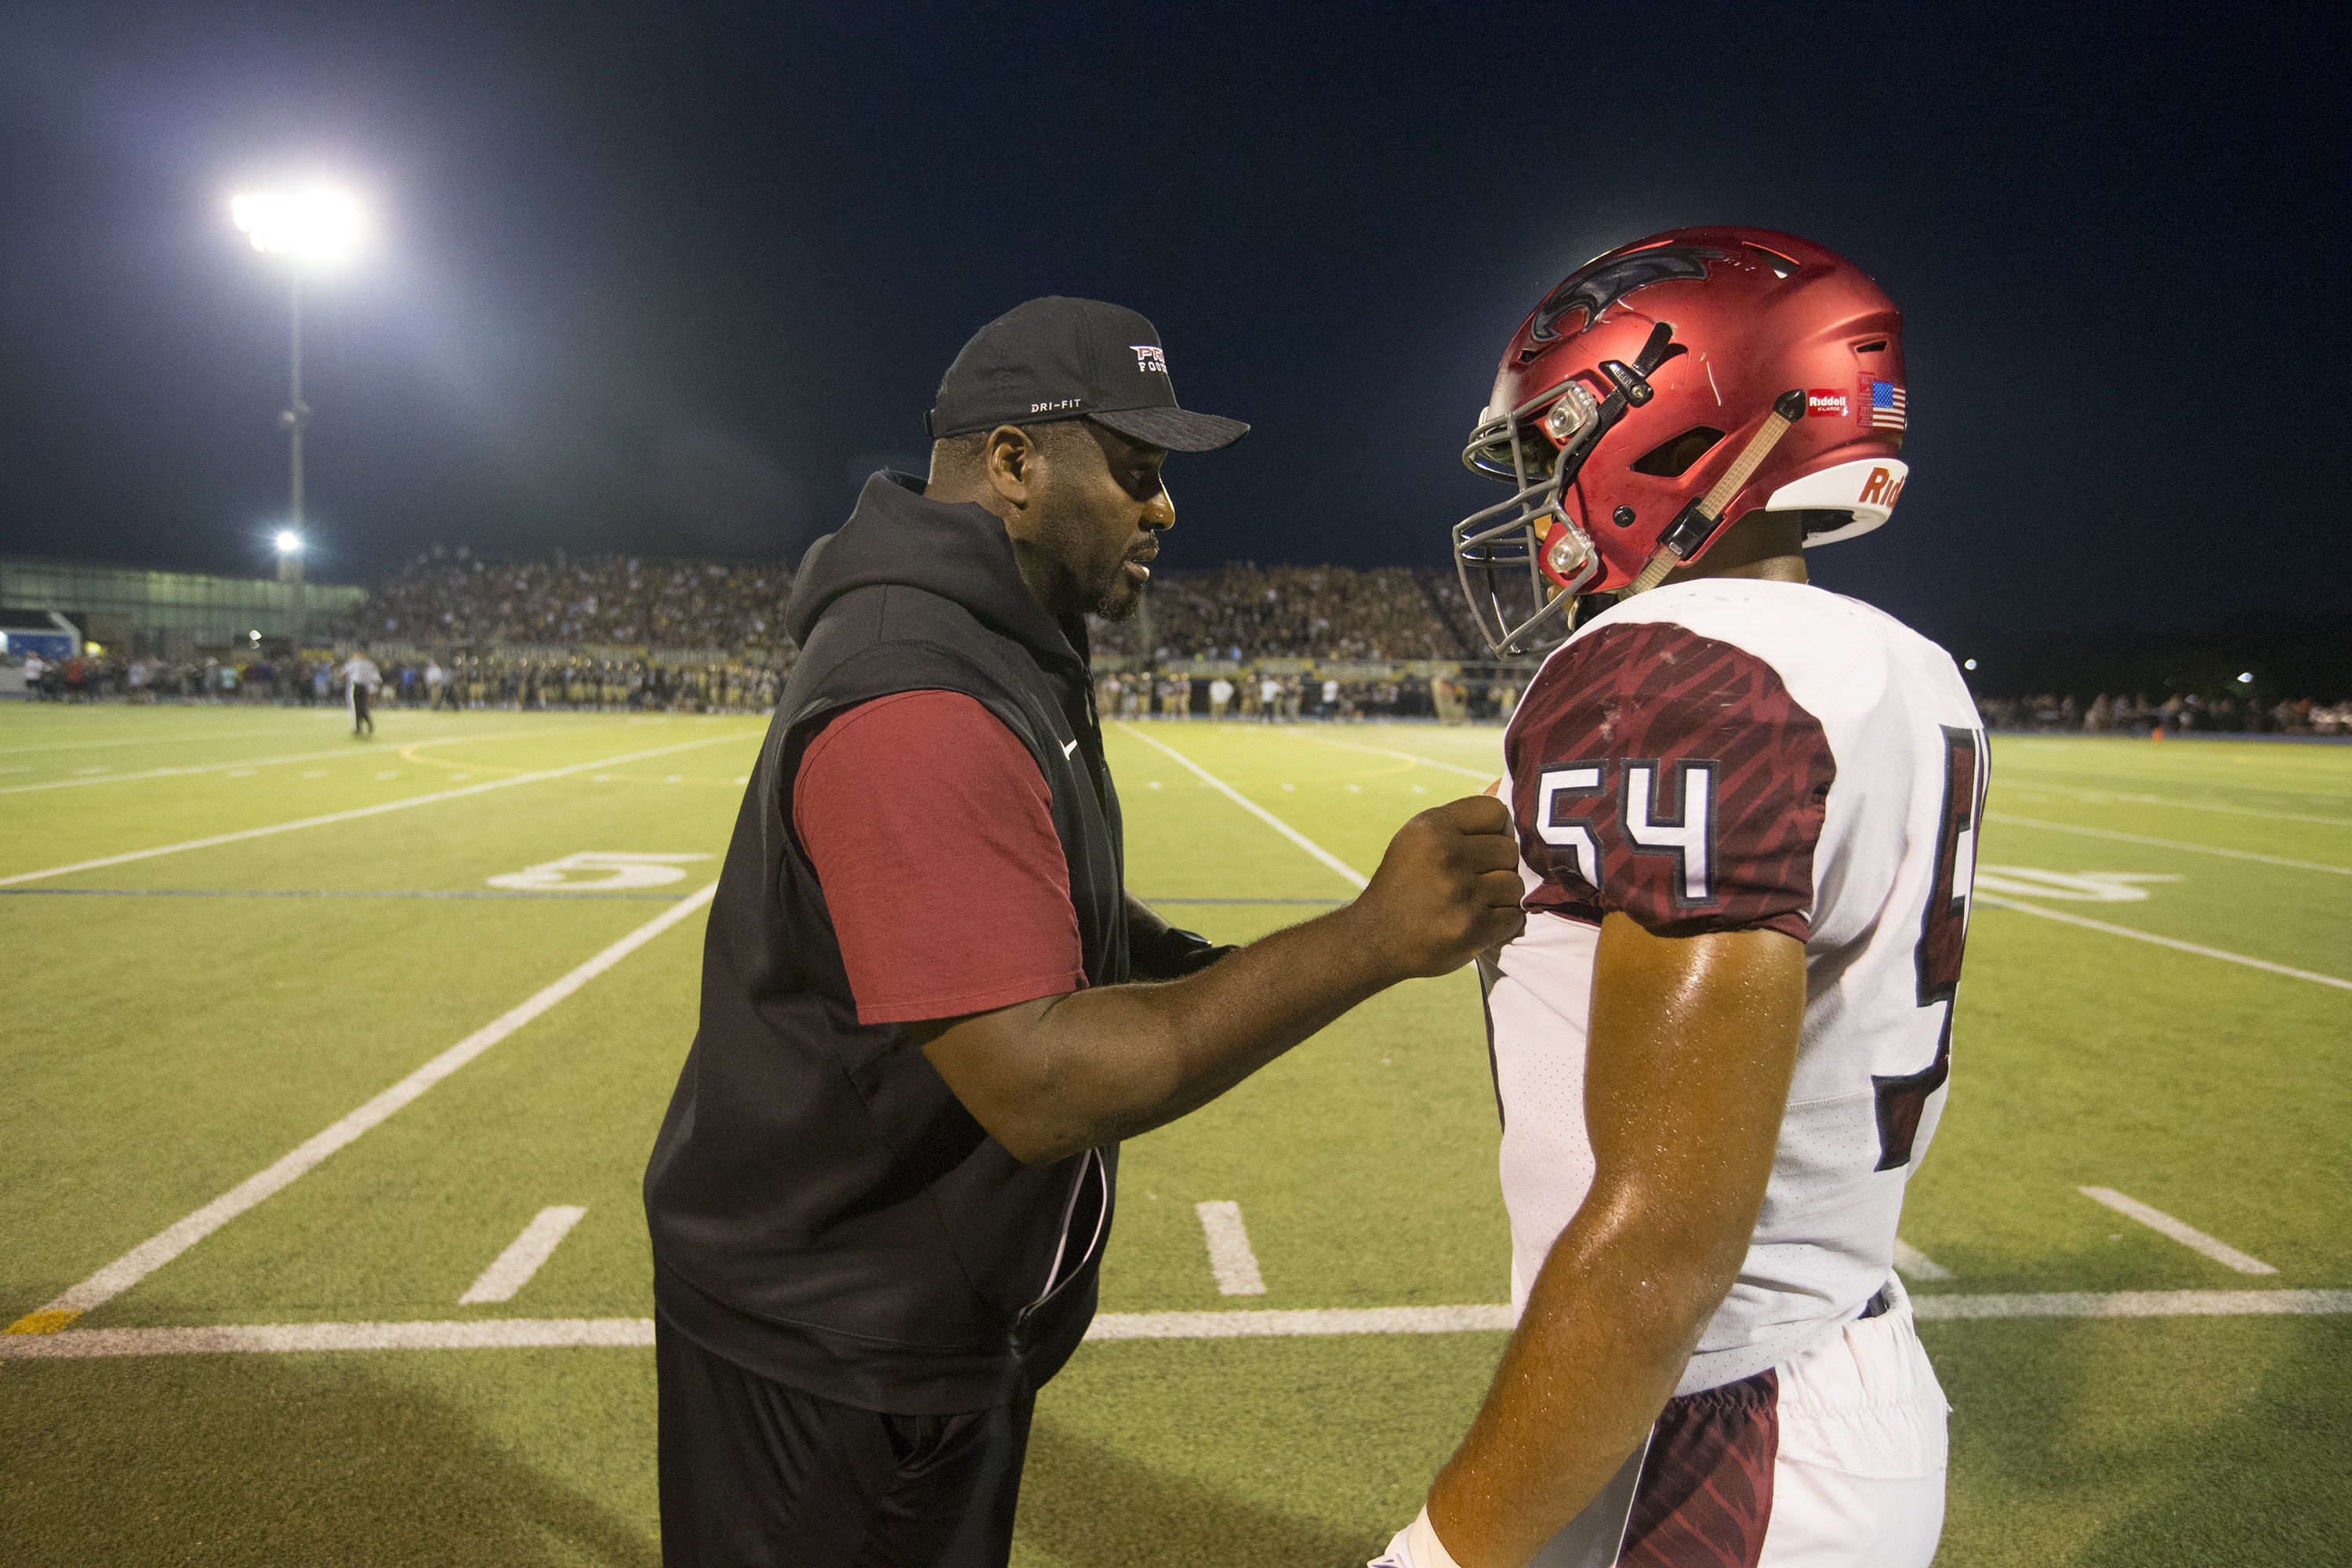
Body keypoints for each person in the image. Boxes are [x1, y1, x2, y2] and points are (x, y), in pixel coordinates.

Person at [642, 296, 1526, 1567]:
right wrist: (1368, 940)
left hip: (892, 1320)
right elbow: (1039, 1083)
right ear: (1013, 462)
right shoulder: (919, 694)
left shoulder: (995, 635)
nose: (1165, 508)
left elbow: (1060, 916)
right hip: (840, 1352)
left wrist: (1245, 976)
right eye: (1138, 472)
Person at [1379, 228, 1979, 1568]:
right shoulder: (1905, 664)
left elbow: (1664, 1242)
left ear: (1668, 415)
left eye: (1554, 447)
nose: (1541, 498)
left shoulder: (1674, 674)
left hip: (1719, 1432)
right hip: (1832, 1365)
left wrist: (1435, 1555)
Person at [340, 646, 382, 737]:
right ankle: (369, 724)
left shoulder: (355, 663)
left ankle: (359, 728)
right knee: (363, 706)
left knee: (357, 708)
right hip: (364, 687)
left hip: (356, 686)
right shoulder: (369, 664)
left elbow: (343, 672)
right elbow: (374, 676)